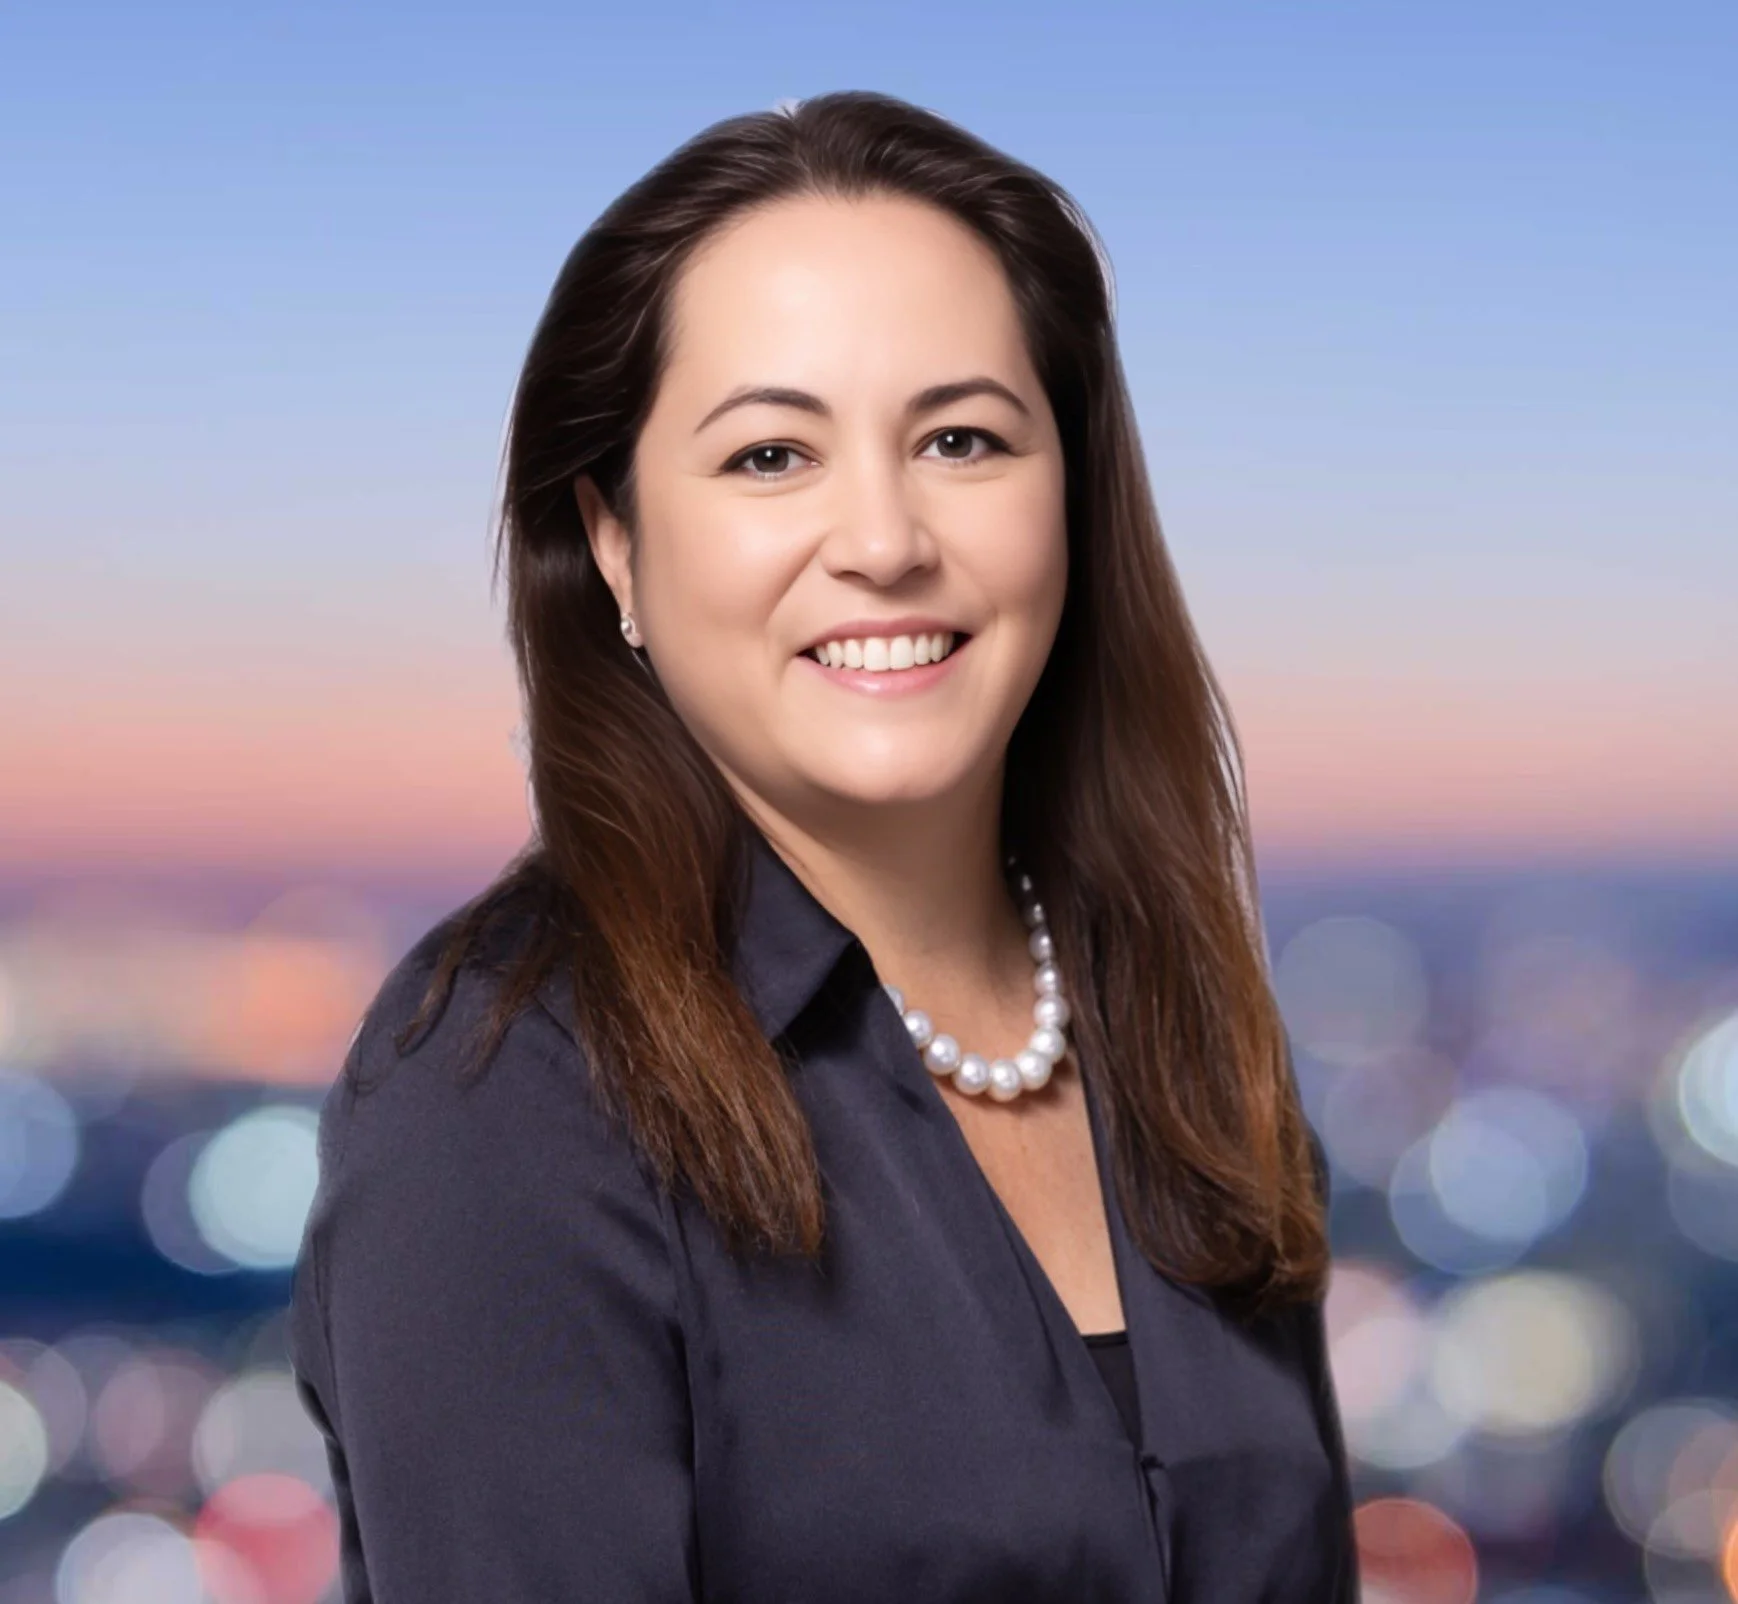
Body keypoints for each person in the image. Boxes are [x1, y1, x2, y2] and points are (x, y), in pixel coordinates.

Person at [287, 89, 1360, 1602]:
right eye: (770, 458)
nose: (884, 537)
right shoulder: (502, 1094)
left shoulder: (1181, 1037)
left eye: (963, 438)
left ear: (1073, 496)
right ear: (613, 546)